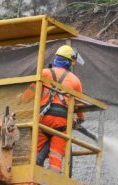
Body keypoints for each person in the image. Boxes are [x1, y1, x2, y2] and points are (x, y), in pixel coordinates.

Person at [33, 45, 86, 173]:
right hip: (62, 123)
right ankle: (53, 181)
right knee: (56, 155)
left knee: (35, 151)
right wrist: (80, 119)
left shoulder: (44, 73)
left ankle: (33, 172)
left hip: (42, 120)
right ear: (69, 63)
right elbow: (78, 106)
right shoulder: (75, 80)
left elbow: (29, 95)